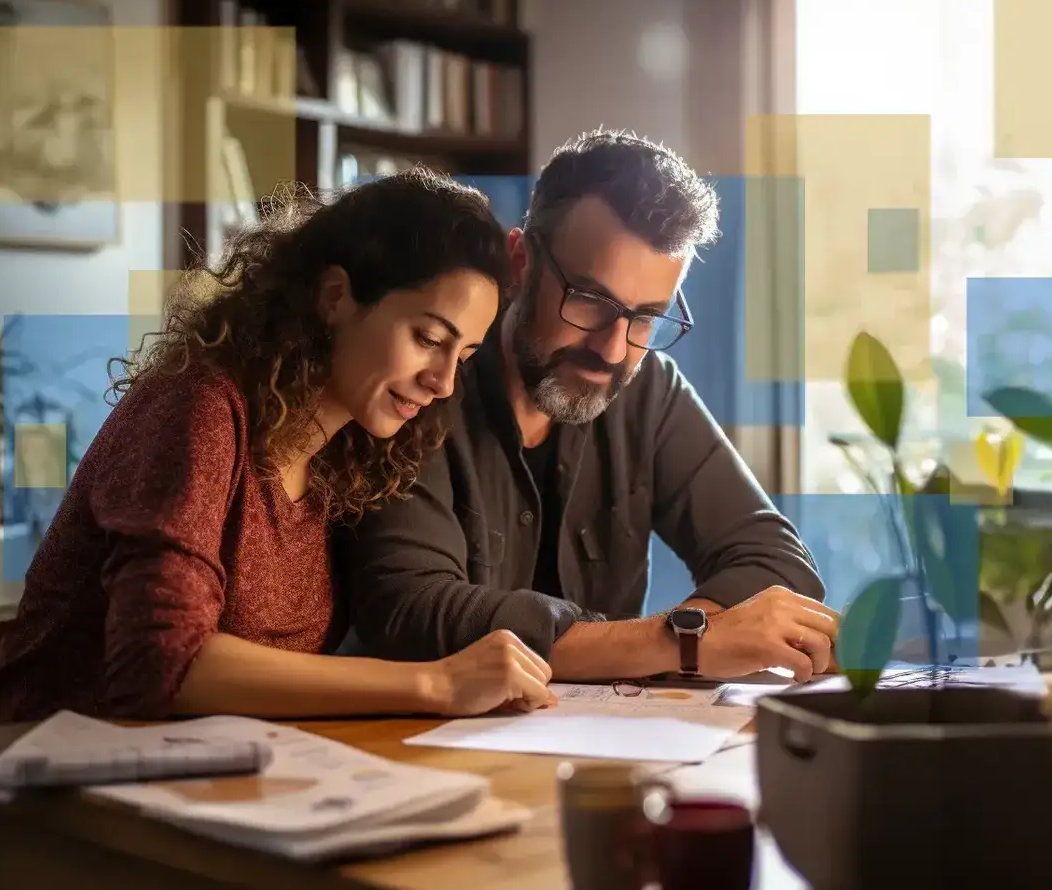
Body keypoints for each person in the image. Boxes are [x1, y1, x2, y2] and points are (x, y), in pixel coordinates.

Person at [0, 168, 559, 726]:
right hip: (54, 787)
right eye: (429, 338)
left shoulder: (352, 455)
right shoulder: (199, 408)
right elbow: (157, 662)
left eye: (467, 356)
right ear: (335, 297)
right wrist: (436, 685)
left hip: (215, 778)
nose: (445, 382)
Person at [342, 130, 840, 682]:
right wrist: (679, 645)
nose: (612, 348)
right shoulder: (424, 383)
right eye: (589, 300)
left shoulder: (650, 391)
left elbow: (778, 565)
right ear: (520, 263)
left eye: (646, 317)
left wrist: (682, 642)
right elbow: (412, 610)